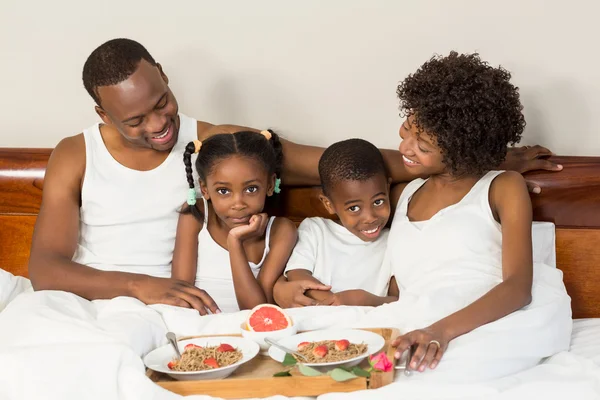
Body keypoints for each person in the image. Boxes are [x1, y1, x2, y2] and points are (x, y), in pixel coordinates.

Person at [27, 38, 560, 313]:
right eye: (136, 120)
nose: (160, 124)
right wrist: (141, 287)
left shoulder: (225, 144)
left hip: (191, 302)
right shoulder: (75, 156)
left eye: (163, 103)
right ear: (103, 117)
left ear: (164, 77)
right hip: (110, 300)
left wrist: (478, 156)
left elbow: (342, 162)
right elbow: (46, 268)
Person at [382, 52, 570, 375]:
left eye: (422, 145)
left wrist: (441, 331)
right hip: (419, 319)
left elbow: (518, 288)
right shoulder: (404, 194)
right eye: (405, 130)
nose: (404, 148)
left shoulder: (502, 188)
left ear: (462, 150)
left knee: (441, 369)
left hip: (481, 320)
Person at [170, 130, 297, 313]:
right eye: (223, 191)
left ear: (270, 185)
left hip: (248, 332)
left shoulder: (281, 231)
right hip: (198, 326)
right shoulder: (195, 215)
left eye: (251, 189)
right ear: (205, 189)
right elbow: (180, 292)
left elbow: (257, 311)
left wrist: (235, 242)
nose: (238, 204)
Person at [284, 139, 398, 306]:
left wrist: (367, 301)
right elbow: (297, 274)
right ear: (328, 204)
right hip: (317, 321)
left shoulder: (395, 240)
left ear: (388, 189)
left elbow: (398, 299)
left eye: (378, 202)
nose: (370, 217)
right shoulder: (316, 230)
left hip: (369, 324)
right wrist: (336, 303)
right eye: (354, 208)